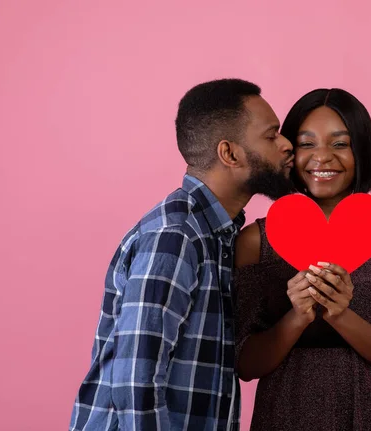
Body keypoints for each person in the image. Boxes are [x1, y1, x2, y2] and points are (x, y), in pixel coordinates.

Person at [69, 78, 295, 431]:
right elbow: (136, 382)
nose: (287, 145)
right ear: (230, 153)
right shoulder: (176, 237)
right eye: (271, 135)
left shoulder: (218, 236)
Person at [234, 88, 371, 430]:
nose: (322, 157)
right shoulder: (256, 242)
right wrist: (297, 317)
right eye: (307, 143)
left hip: (367, 418)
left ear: (362, 150)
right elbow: (245, 364)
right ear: (288, 151)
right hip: (281, 417)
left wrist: (341, 314)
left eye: (340, 144)